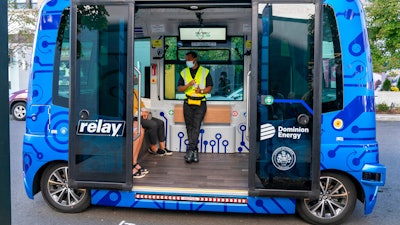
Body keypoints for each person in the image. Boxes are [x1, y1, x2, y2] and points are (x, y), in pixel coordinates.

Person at [177, 51, 213, 163]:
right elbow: (179, 89)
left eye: (189, 59)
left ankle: (190, 150)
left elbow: (209, 87)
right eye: (186, 60)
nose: (187, 61)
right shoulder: (183, 72)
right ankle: (194, 150)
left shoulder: (205, 71)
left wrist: (201, 90)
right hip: (188, 103)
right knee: (189, 126)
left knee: (196, 126)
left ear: (195, 59)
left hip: (200, 103)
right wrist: (188, 85)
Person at [132, 74, 172, 157]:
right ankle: (153, 147)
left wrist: (145, 111)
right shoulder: (126, 93)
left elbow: (141, 104)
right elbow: (129, 109)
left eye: (136, 76)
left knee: (160, 122)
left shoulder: (135, 91)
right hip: (133, 117)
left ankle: (162, 146)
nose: (136, 78)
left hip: (141, 115)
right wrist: (140, 114)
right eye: (134, 77)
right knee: (153, 124)